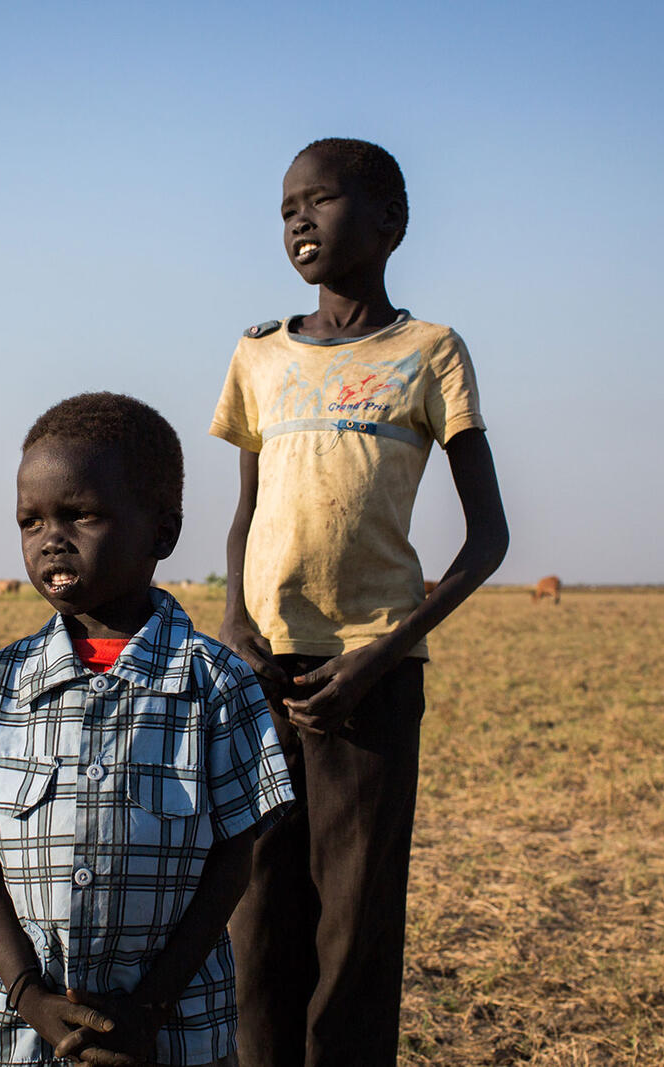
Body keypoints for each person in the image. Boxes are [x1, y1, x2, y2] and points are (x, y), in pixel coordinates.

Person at [209, 137, 510, 1066]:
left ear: (390, 223)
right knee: (259, 920)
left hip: (370, 682)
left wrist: (381, 652)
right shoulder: (260, 353)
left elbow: (489, 538)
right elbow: (246, 515)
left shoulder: (428, 352)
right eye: (286, 207)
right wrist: (234, 624)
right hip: (263, 673)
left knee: (354, 927)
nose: (298, 219)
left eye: (321, 200)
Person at [0, 393, 295, 1066]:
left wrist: (150, 1006)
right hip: (32, 1034)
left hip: (173, 1031)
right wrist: (27, 994)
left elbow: (233, 860)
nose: (51, 539)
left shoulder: (215, 684)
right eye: (31, 521)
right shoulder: (3, 683)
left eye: (82, 515)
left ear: (162, 533)